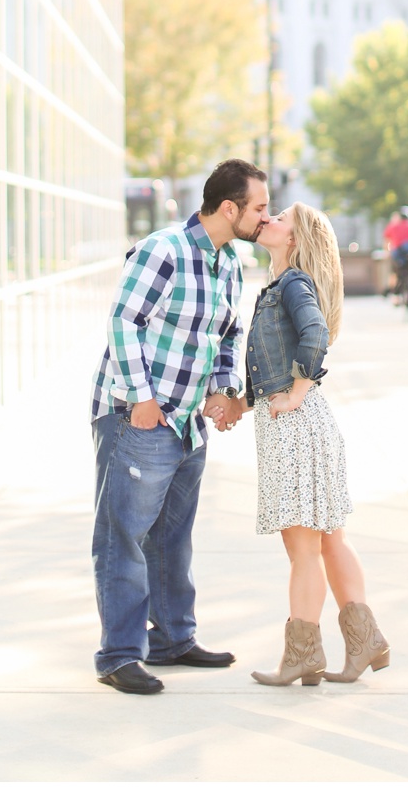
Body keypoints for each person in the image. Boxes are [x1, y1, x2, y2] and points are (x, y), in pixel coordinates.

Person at [88, 158, 266, 695]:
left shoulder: (230, 262)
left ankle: (172, 638)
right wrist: (141, 398)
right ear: (228, 208)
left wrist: (221, 386)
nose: (266, 216)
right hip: (137, 416)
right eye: (259, 207)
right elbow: (124, 320)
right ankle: (119, 655)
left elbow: (228, 333)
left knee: (173, 537)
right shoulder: (163, 249)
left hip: (187, 422)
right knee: (124, 536)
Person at [244, 204, 390, 686]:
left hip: (297, 425)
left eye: (279, 216)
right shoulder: (283, 285)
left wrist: (296, 393)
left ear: (295, 239)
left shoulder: (292, 284)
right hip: (303, 422)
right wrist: (242, 404)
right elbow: (274, 365)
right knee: (328, 539)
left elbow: (315, 335)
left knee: (304, 545)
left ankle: (304, 654)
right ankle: (365, 640)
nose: (268, 218)